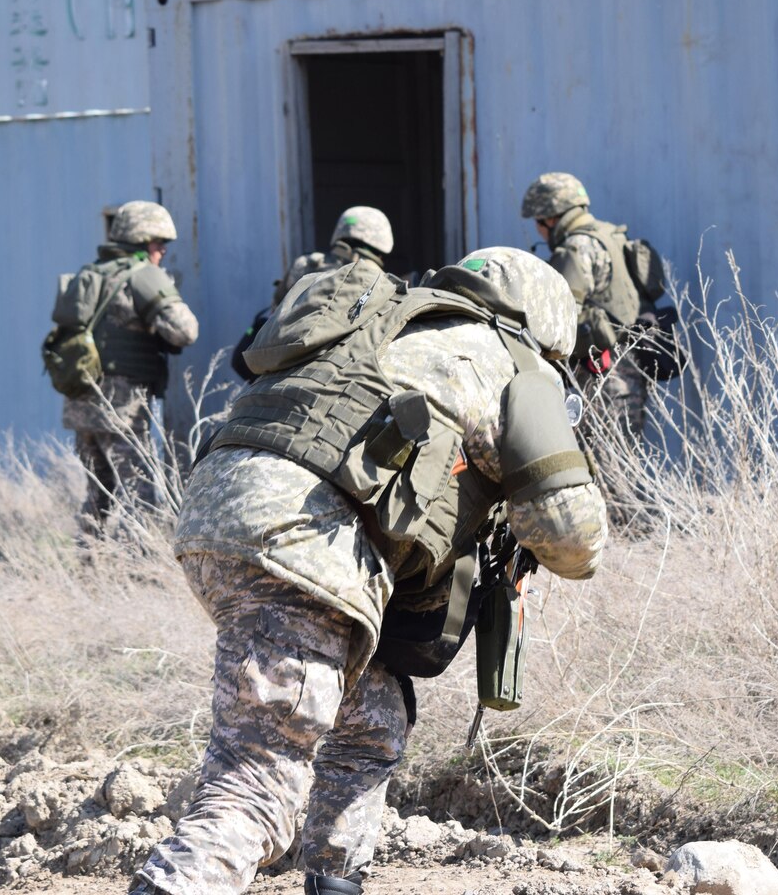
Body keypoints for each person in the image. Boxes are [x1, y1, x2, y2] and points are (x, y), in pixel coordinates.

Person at [132, 247, 609, 895]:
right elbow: (575, 538)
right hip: (305, 545)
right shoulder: (513, 364)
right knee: (260, 777)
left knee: (372, 716)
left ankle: (337, 879)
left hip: (220, 510)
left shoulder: (393, 321)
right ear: (549, 329)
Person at [60, 200, 199, 538]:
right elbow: (186, 331)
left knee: (98, 492)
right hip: (122, 407)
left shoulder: (89, 274)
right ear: (140, 241)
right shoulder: (143, 276)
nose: (163, 251)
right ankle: (140, 570)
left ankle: (89, 565)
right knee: (141, 493)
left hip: (81, 402)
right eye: (159, 243)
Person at [520, 171, 651, 438]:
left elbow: (558, 320)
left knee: (598, 470)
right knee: (623, 465)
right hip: (629, 371)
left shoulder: (574, 249)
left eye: (538, 221)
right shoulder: (612, 235)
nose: (537, 229)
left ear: (551, 216)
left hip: (599, 380)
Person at [231, 205, 395, 382]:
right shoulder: (381, 281)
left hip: (280, 372)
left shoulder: (305, 264)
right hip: (337, 376)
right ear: (382, 243)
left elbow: (275, 313)